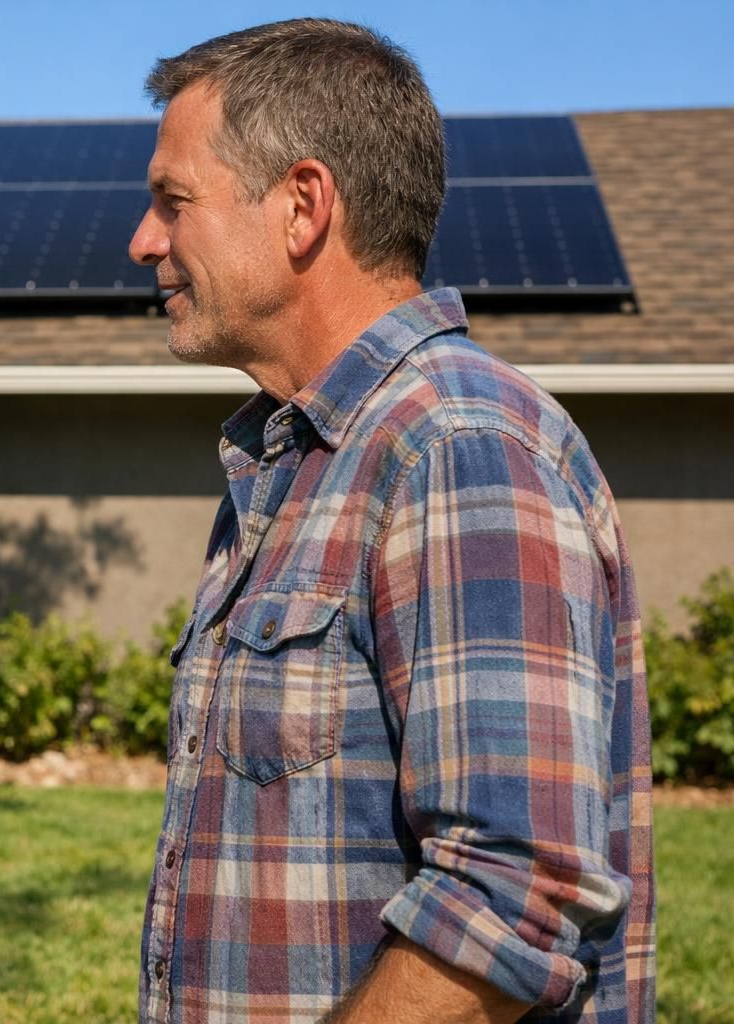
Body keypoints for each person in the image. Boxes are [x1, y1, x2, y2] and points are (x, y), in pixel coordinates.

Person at [127, 19, 654, 1024]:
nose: (144, 240)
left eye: (173, 200)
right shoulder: (295, 462)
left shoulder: (455, 447)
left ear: (303, 205)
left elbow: (509, 898)